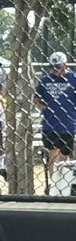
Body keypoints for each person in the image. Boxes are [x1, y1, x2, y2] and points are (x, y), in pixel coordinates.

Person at [35, 51, 76, 185]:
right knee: (53, 156)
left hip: (68, 124)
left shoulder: (73, 79)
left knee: (64, 156)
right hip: (49, 124)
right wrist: (39, 103)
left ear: (65, 64)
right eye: (54, 67)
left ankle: (63, 185)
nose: (56, 70)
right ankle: (54, 185)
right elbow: (37, 96)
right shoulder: (46, 80)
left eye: (58, 66)